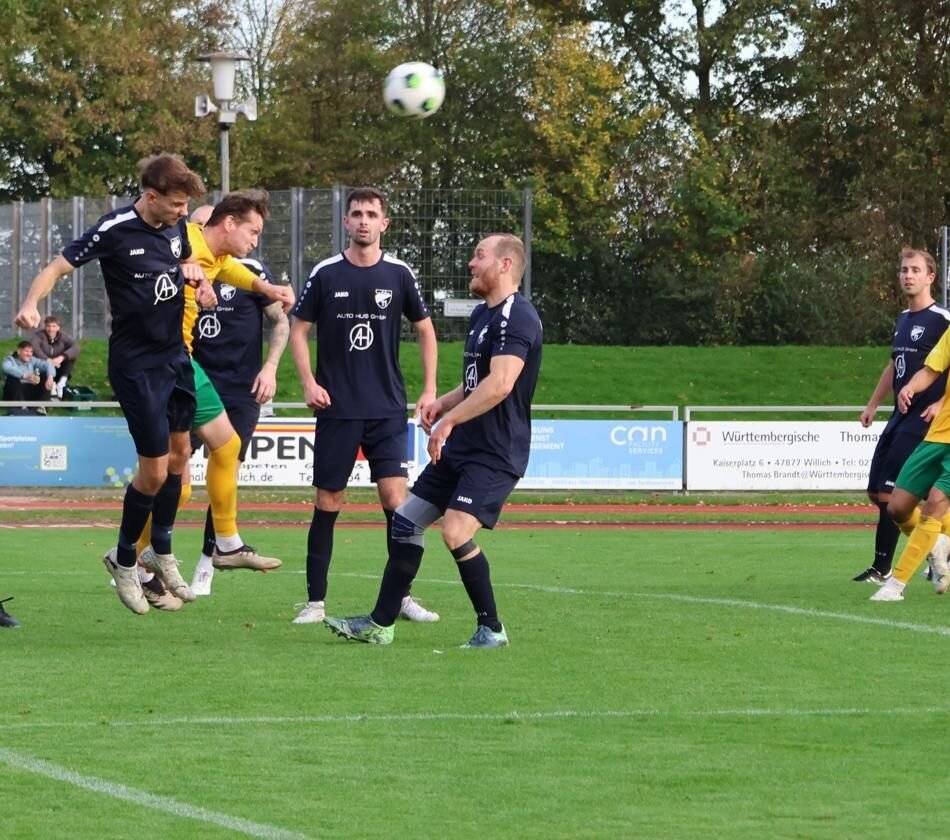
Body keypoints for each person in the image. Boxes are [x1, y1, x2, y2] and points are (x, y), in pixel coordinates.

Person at [14, 153, 212, 615]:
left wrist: (200, 283)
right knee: (154, 472)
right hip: (136, 366)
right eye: (177, 204)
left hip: (175, 357)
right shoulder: (115, 228)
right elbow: (57, 268)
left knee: (181, 454)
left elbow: (188, 263)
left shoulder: (178, 228)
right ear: (151, 196)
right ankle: (124, 561)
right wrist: (29, 303)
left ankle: (160, 552)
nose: (184, 212)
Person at [324, 232, 543, 648]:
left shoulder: (518, 316)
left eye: (479, 255)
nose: (471, 263)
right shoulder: (483, 316)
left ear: (505, 265)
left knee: (455, 531)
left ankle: (492, 629)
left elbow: (500, 384)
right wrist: (443, 404)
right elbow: (476, 382)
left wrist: (448, 422)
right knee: (406, 519)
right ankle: (380, 624)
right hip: (465, 446)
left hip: (495, 451)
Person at [132, 192, 295, 607]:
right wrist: (187, 272)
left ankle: (222, 544)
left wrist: (269, 289)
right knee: (169, 478)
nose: (256, 240)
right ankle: (131, 556)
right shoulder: (180, 242)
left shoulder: (223, 260)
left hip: (198, 373)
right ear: (222, 225)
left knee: (226, 447)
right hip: (164, 364)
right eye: (253, 231)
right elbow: (150, 260)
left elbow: (240, 276)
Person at [289, 187, 440, 625]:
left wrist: (429, 389)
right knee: (329, 500)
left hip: (386, 409)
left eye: (371, 214)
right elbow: (298, 329)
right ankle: (315, 602)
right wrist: (308, 382)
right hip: (337, 407)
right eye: (356, 213)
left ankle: (401, 597)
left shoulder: (399, 273)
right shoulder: (326, 272)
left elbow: (426, 329)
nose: (363, 221)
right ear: (346, 222)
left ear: (384, 224)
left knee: (397, 501)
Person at [188, 200, 292, 595]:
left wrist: (270, 368)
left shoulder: (249, 270)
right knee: (169, 473)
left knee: (227, 465)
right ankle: (140, 553)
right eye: (195, 228)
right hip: (190, 379)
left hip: (240, 390)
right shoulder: (180, 266)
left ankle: (208, 559)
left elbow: (280, 321)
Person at [853, 248, 950, 585]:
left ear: (930, 277)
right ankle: (938, 546)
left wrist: (942, 404)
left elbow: (943, 365)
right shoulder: (903, 319)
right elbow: (894, 364)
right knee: (876, 492)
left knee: (891, 495)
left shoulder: (942, 319)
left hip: (924, 419)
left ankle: (883, 567)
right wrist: (872, 404)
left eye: (915, 270)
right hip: (899, 414)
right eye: (904, 270)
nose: (908, 275)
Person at [871, 316, 950, 601]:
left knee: (935, 503)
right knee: (897, 507)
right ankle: (938, 542)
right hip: (938, 435)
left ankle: (895, 585)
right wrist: (910, 387)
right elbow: (931, 370)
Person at [31, 315, 81, 399]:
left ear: (58, 327)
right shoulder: (38, 336)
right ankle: (51, 386)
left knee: (70, 358)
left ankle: (62, 383)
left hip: (58, 366)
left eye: (54, 326)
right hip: (43, 366)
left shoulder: (63, 337)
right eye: (48, 326)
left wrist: (61, 358)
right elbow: (34, 348)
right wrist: (48, 360)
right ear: (45, 326)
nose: (51, 329)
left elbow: (76, 347)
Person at [2, 341, 55, 414]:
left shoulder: (32, 360)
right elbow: (6, 368)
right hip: (13, 394)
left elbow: (48, 365)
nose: (29, 354)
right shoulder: (10, 360)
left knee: (45, 376)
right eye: (26, 351)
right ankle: (21, 407)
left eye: (31, 352)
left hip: (28, 391)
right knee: (12, 378)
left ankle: (41, 406)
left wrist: (50, 377)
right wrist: (25, 376)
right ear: (19, 351)